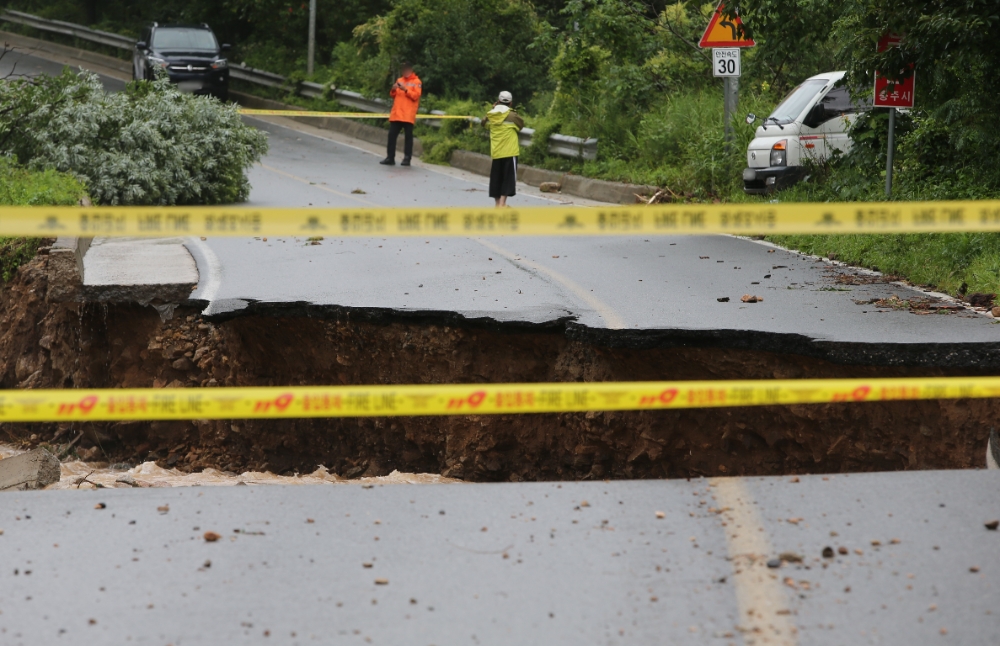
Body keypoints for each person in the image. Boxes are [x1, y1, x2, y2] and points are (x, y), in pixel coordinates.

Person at [482, 91, 524, 207]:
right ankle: (502, 204)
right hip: (510, 153)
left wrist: (493, 109)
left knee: (496, 179)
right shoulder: (512, 116)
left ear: (498, 101)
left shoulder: (491, 115)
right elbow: (521, 125)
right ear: (510, 103)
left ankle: (497, 205)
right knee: (508, 179)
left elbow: (483, 123)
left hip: (496, 153)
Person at [380, 62, 422, 166]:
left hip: (408, 114)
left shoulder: (416, 82)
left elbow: (416, 96)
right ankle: (390, 158)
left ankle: (407, 158)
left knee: (408, 137)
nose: (405, 72)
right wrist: (393, 89)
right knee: (391, 136)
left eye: (407, 69)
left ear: (411, 70)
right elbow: (393, 95)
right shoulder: (399, 80)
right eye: (403, 70)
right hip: (397, 114)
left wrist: (405, 89)